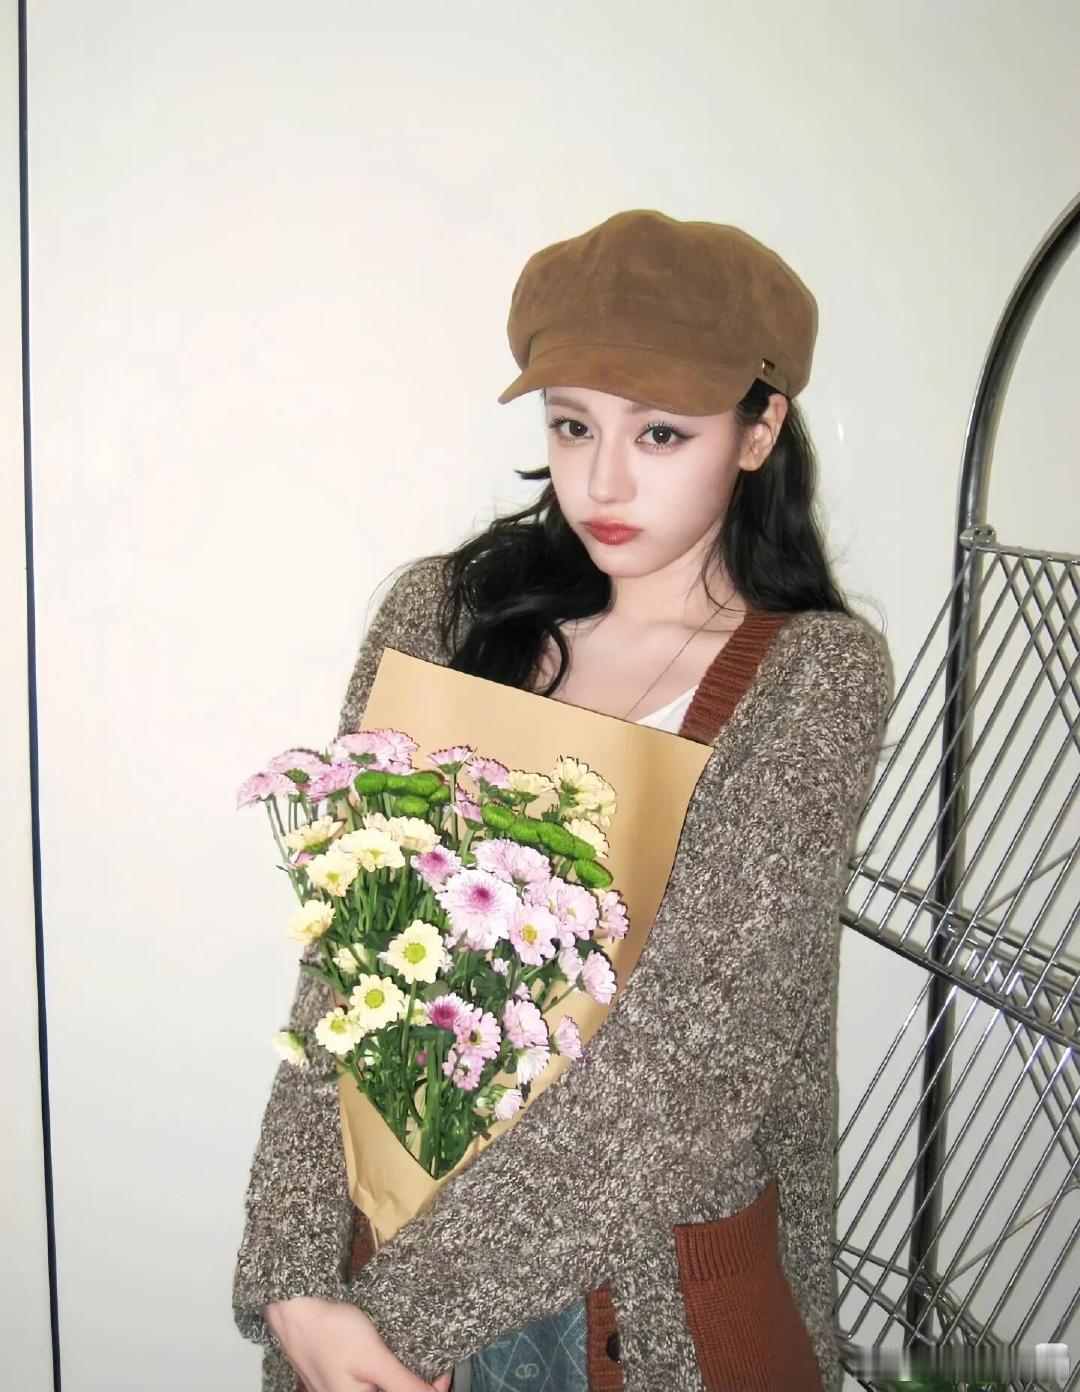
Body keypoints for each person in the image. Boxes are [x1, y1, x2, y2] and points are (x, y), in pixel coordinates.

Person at [232, 208, 893, 1392]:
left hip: (629, 1300)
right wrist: (293, 1278)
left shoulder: (812, 679)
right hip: (367, 1279)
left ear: (759, 432)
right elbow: (342, 976)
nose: (602, 479)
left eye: (662, 433)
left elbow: (695, 1064)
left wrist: (398, 1317)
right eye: (573, 423)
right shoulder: (442, 618)